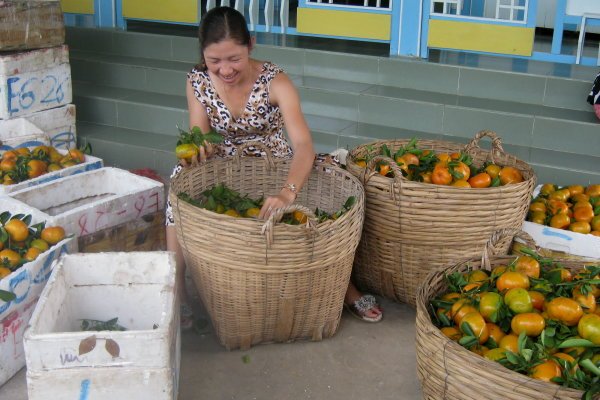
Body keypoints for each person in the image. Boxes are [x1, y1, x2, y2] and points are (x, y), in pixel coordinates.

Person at [165, 6, 383, 329]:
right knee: (177, 189)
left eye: (234, 58)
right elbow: (200, 134)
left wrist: (287, 191)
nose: (225, 69)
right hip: (222, 164)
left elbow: (304, 145)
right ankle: (178, 289)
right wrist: (196, 153)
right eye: (215, 61)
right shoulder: (197, 81)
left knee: (308, 210)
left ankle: (343, 287)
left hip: (272, 162)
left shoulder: (275, 81)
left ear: (251, 45)